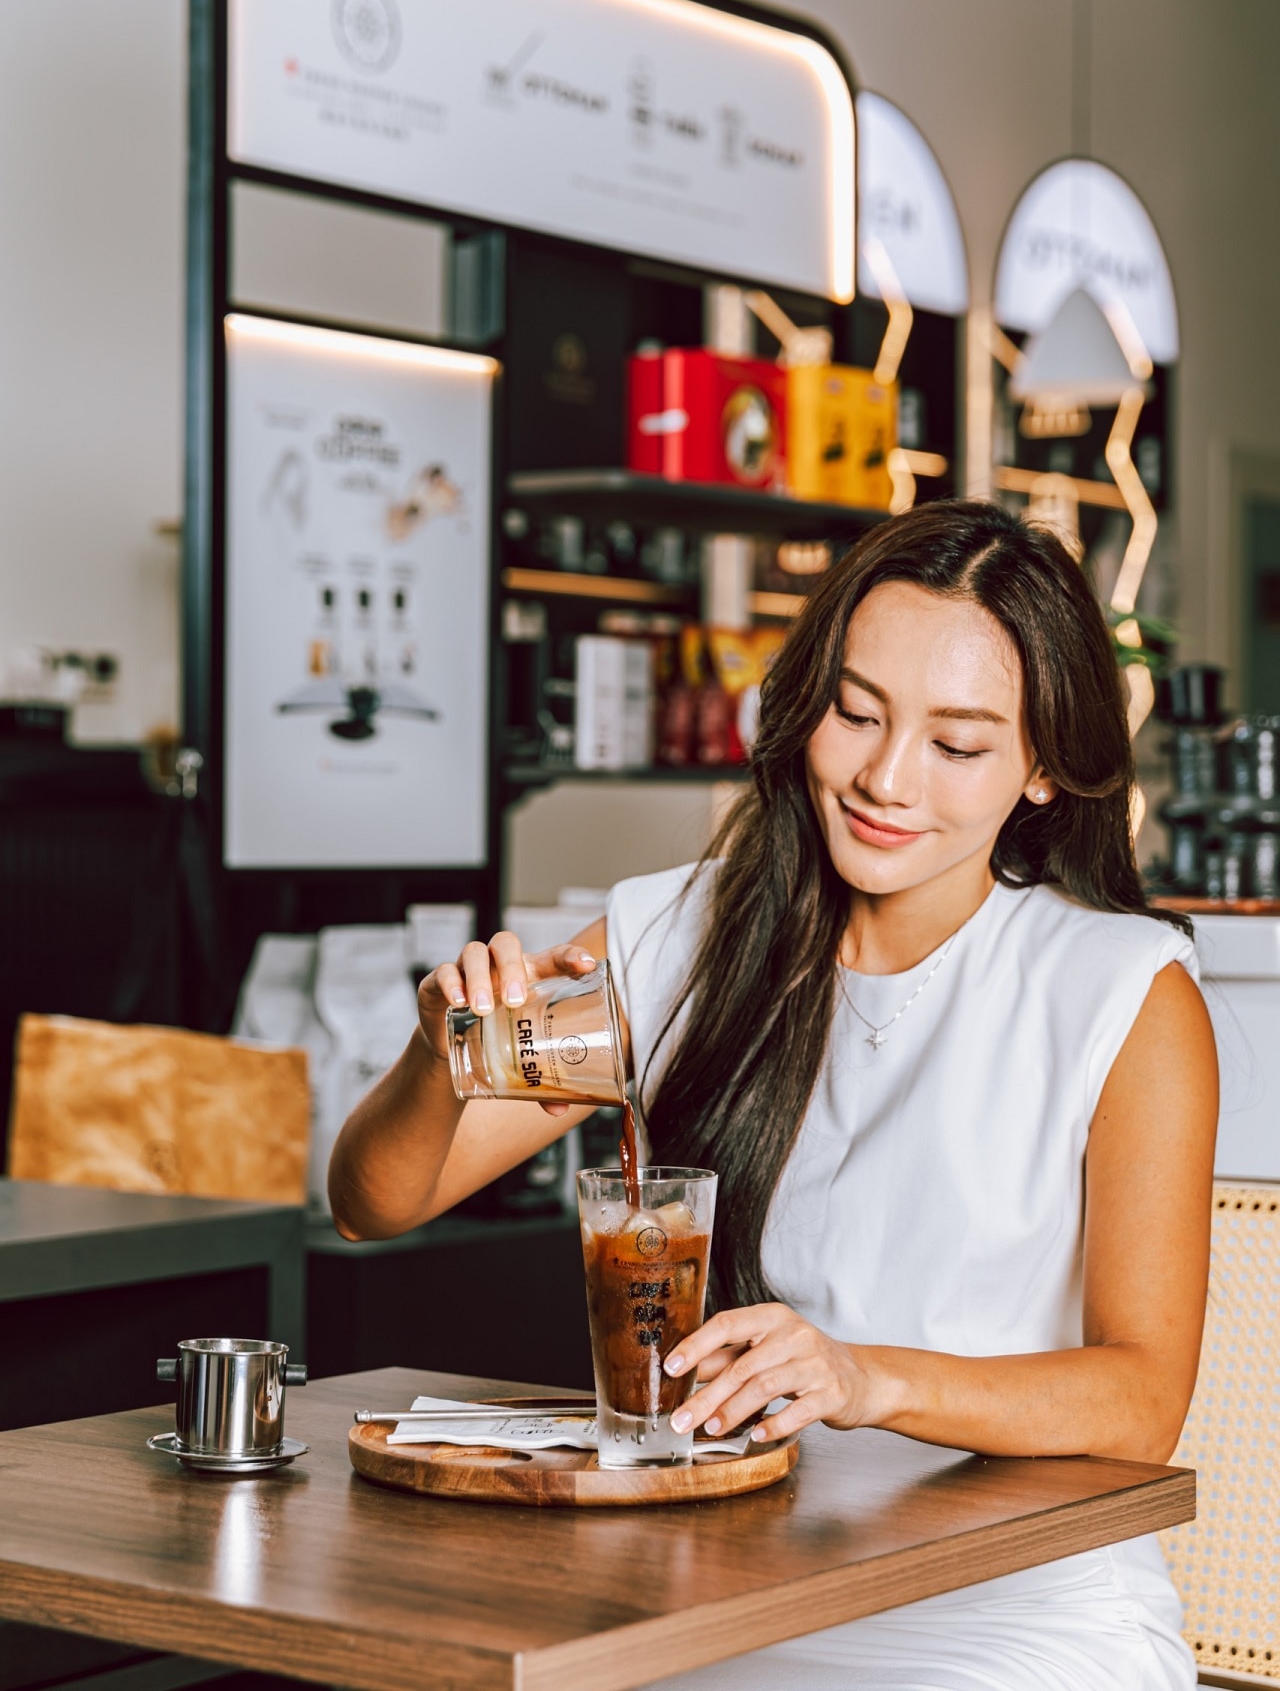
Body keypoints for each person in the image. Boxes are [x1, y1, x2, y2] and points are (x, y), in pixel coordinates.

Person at [329, 499, 1217, 1691]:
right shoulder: (684, 937)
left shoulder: (1116, 992)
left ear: (1045, 766)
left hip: (1013, 1615)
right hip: (727, 1593)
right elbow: (373, 1201)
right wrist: (441, 1054)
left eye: (955, 746)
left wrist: (863, 1376)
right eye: (856, 714)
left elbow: (1139, 1394)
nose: (885, 779)